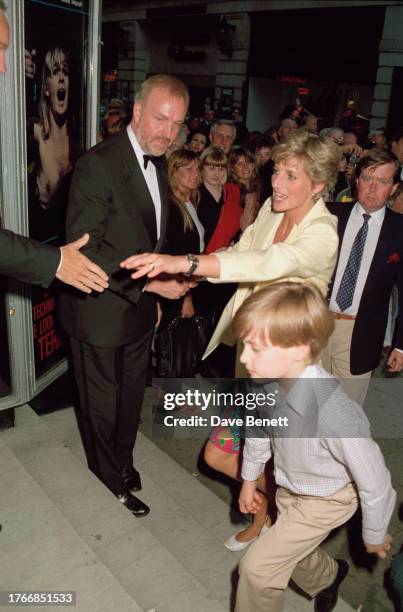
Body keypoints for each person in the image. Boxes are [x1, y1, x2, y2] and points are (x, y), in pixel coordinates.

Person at [121, 129, 341, 542]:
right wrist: (187, 272)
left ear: (318, 184)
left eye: (291, 176)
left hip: (288, 377)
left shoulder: (322, 234)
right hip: (253, 362)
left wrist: (185, 262)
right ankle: (271, 518)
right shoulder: (273, 213)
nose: (276, 183)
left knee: (268, 462)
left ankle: (281, 537)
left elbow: (266, 262)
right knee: (220, 456)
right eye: (277, 171)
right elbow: (241, 253)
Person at [59, 74, 191, 518]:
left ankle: (124, 462)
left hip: (137, 309)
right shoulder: (97, 164)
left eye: (176, 125)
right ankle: (108, 480)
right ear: (136, 112)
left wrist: (155, 293)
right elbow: (87, 248)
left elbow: (149, 239)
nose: (167, 133)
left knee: (131, 395)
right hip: (97, 308)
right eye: (159, 119)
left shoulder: (160, 161)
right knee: (101, 403)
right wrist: (152, 284)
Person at [232, 281, 395, 612]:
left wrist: (374, 533)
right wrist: (249, 480)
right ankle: (328, 577)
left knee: (257, 569)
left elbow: (376, 483)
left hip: (329, 499)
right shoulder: (265, 383)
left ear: (298, 349)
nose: (245, 357)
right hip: (292, 487)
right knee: (293, 547)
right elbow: (260, 432)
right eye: (244, 345)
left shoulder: (335, 413)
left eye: (256, 348)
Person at [0, 5, 107, 294]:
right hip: (34, 249)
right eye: (53, 72)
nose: (3, 66)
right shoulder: (34, 130)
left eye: (65, 72)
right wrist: (56, 262)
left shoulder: (79, 137)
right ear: (45, 86)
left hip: (56, 250)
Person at [324, 148, 403, 405]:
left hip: (359, 332)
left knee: (345, 419)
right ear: (356, 181)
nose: (372, 188)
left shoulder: (399, 230)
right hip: (314, 323)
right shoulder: (329, 215)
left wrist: (400, 345)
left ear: (393, 188)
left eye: (382, 181)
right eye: (368, 179)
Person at [228, 147, 262, 230]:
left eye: (249, 162)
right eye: (240, 163)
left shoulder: (260, 187)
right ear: (232, 168)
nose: (245, 167)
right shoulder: (230, 191)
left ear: (253, 165)